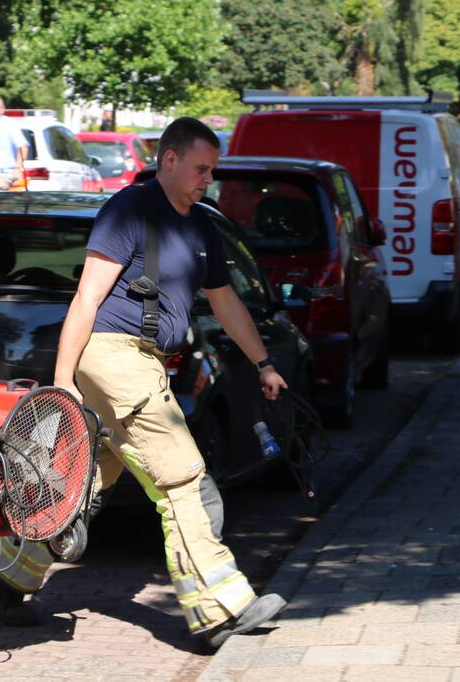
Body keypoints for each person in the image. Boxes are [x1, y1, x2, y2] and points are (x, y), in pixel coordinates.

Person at [52, 116, 289, 648]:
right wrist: (63, 379)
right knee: (181, 478)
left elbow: (228, 306)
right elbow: (87, 297)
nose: (210, 178)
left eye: (214, 170)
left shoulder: (199, 224)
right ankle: (218, 607)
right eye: (202, 168)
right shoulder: (129, 210)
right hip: (114, 357)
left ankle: (7, 575)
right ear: (170, 160)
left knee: (89, 481)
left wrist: (263, 362)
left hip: (143, 363)